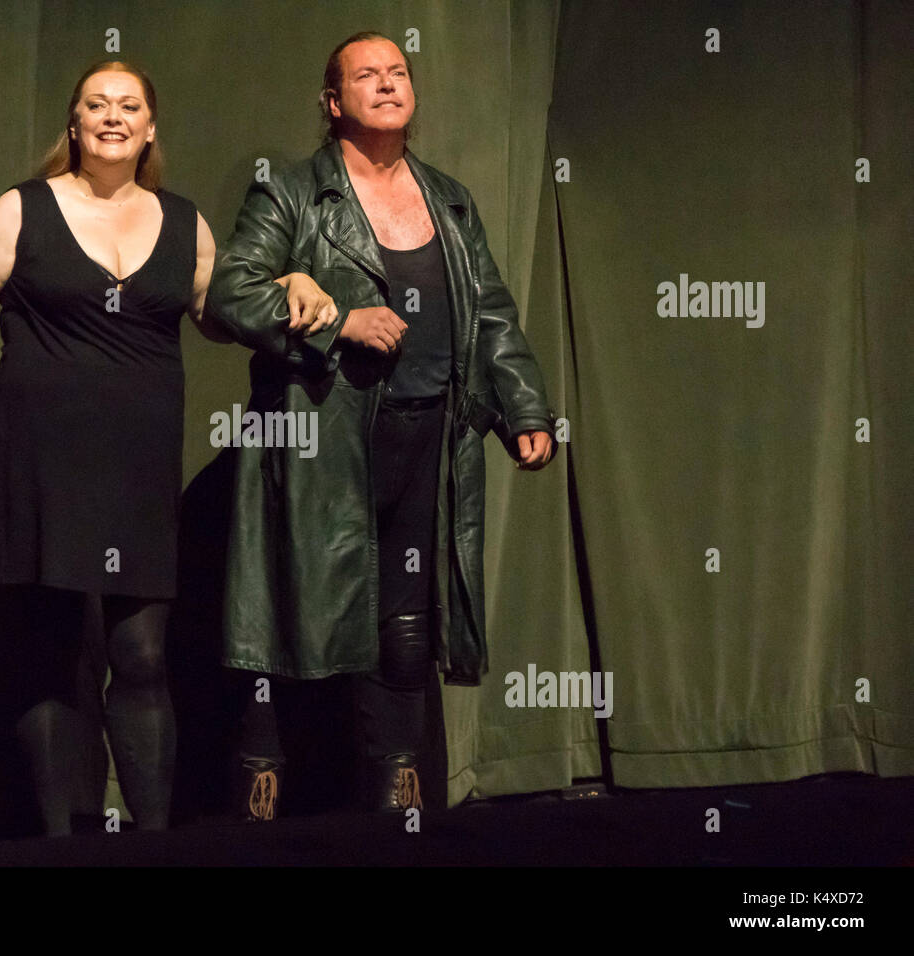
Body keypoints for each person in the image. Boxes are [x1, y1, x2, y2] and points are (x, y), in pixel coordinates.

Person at [206, 31, 560, 819]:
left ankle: (398, 790)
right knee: (282, 619)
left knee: (405, 622)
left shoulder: (449, 196)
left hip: (426, 439)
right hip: (320, 445)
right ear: (334, 103)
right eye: (366, 75)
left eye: (398, 71)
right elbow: (230, 293)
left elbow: (491, 315)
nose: (388, 83)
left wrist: (523, 409)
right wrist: (336, 324)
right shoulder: (294, 194)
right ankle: (259, 789)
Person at [0, 60, 231, 835]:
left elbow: (228, 315)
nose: (112, 116)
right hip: (39, 462)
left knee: (141, 656)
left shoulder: (185, 222)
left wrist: (298, 286)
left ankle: (153, 842)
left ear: (150, 127)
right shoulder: (22, 210)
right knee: (54, 660)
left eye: (129, 105)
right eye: (96, 104)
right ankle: (62, 842)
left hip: (138, 469)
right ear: (74, 123)